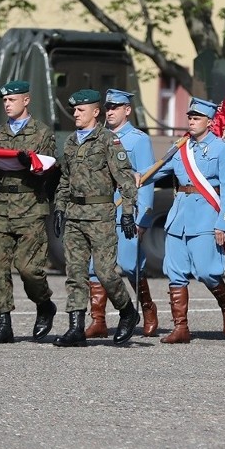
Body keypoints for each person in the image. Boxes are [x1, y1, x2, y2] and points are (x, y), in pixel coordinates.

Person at [139, 97, 225, 344]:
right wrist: (138, 177)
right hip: (179, 218)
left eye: (196, 118)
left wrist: (223, 223)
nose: (192, 122)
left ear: (210, 121)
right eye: (190, 118)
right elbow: (159, 172)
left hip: (207, 218)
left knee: (207, 271)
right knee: (175, 272)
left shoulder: (222, 149)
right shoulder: (181, 147)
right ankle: (180, 328)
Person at [53, 89, 140, 347]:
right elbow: (65, 180)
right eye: (74, 110)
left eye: (81, 110)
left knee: (105, 273)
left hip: (101, 216)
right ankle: (76, 328)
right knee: (75, 273)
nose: (76, 114)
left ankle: (127, 311)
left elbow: (125, 180)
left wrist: (127, 214)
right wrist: (59, 208)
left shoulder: (108, 140)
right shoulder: (70, 142)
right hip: (75, 216)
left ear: (95, 112)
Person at [0, 80, 58, 344]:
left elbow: (49, 172)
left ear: (26, 100)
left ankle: (44, 303)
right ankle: (3, 324)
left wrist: (29, 164)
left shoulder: (42, 132)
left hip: (31, 206)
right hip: (2, 208)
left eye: (12, 100)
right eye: (5, 101)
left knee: (27, 268)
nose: (7, 105)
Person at [85, 89, 159, 338]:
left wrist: (143, 218)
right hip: (101, 212)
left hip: (127, 212)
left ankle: (148, 309)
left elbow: (146, 180)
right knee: (95, 267)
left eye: (116, 107)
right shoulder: (98, 137)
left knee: (129, 265)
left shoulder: (138, 140)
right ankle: (98, 321)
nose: (111, 112)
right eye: (108, 108)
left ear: (127, 110)